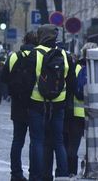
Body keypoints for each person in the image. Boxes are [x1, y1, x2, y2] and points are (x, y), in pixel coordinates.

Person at [27, 25, 72, 181]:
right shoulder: (64, 54)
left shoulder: (35, 53)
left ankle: (37, 176)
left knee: (37, 140)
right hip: (59, 102)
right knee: (58, 141)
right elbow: (69, 80)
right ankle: (62, 174)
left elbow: (28, 80)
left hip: (37, 101)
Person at [3, 31, 38, 181]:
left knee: (17, 140)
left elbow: (4, 78)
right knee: (35, 141)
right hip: (35, 102)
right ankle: (34, 173)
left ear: (24, 40)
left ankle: (16, 174)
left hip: (17, 104)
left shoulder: (13, 56)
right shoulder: (39, 56)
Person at [67, 42, 97, 177]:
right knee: (94, 145)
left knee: (73, 146)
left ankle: (71, 172)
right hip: (93, 112)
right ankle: (90, 171)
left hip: (77, 113)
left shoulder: (77, 67)